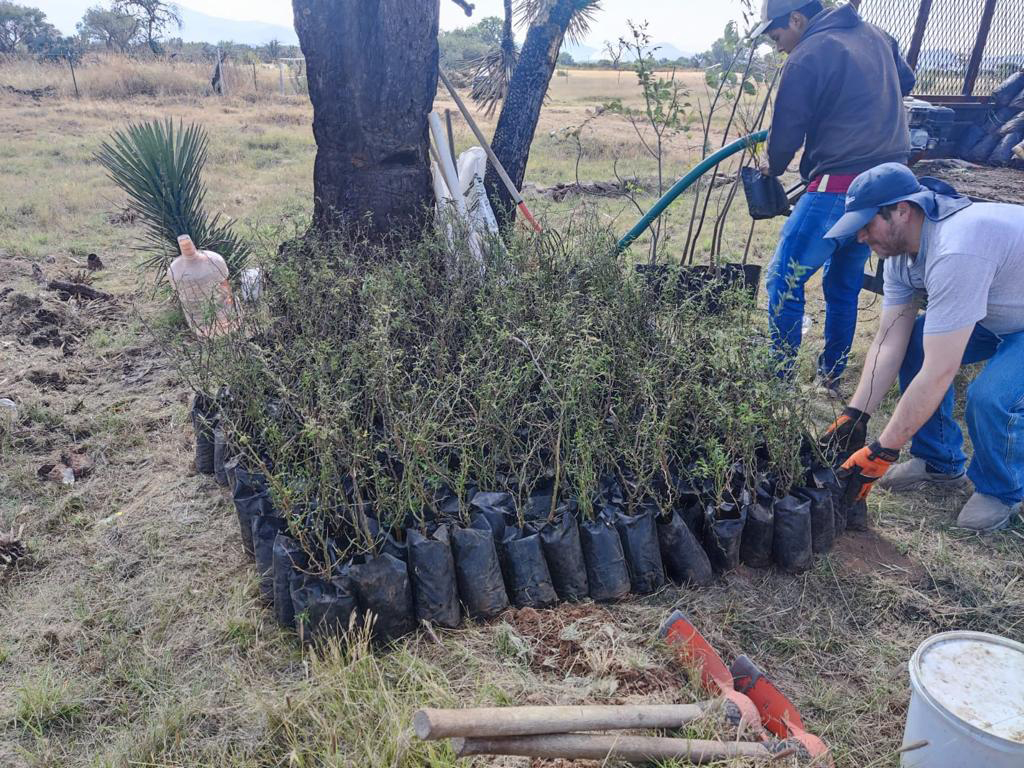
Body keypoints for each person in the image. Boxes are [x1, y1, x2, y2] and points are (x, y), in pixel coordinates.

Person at [819, 162, 1024, 532]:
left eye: (867, 224)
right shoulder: (901, 254)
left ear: (903, 209)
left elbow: (940, 370)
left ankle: (1001, 489)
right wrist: (856, 414)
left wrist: (884, 449)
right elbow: (888, 339)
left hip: (1014, 318)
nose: (861, 237)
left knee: (991, 396)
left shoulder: (957, 249)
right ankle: (939, 461)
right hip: (1000, 309)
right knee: (914, 339)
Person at [753, 0, 916, 390]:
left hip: (836, 189)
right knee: (843, 284)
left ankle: (779, 383)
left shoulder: (808, 53)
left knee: (784, 280)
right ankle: (832, 376)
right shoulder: (878, 36)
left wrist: (771, 168)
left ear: (796, 19)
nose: (778, 47)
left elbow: (787, 131)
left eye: (777, 37)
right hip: (884, 190)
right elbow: (906, 82)